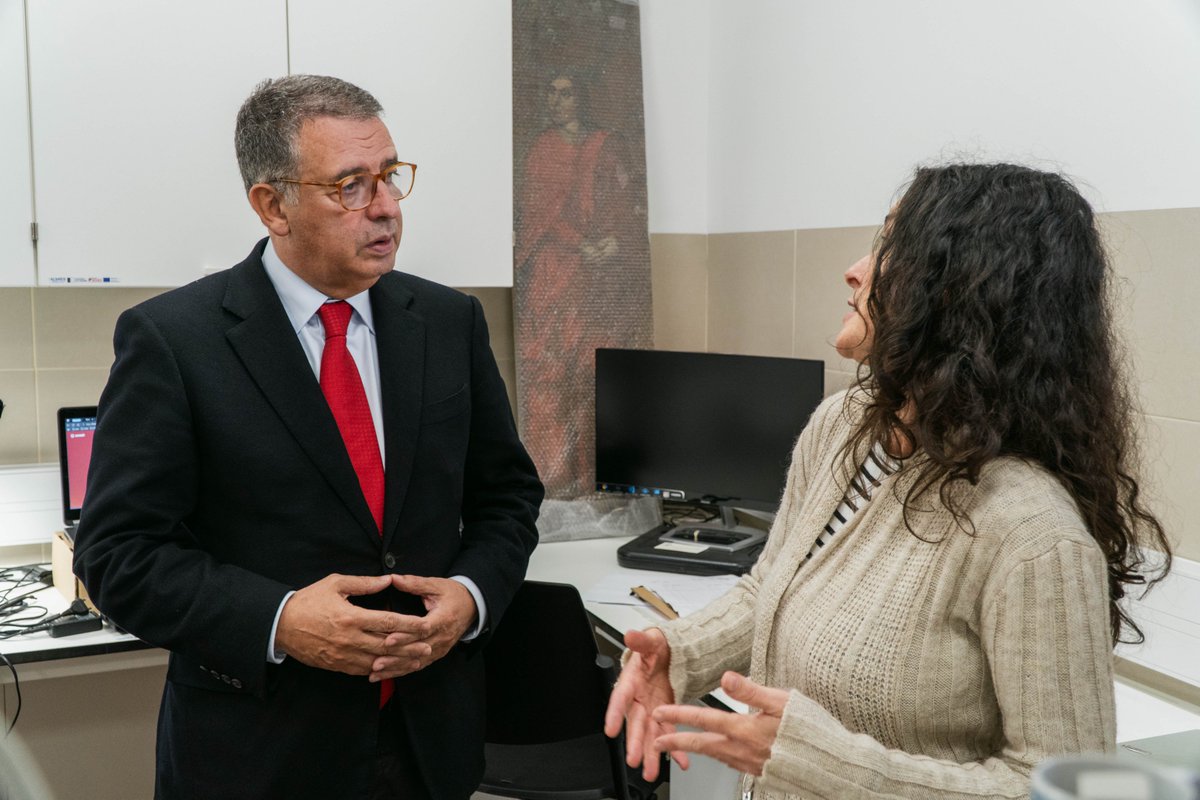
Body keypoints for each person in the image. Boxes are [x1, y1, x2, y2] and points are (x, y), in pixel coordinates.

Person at [604, 163, 1172, 799]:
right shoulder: (843, 425)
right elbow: (773, 584)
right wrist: (678, 652)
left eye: (889, 248)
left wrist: (829, 766)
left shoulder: (1032, 534)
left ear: (958, 290)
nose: (855, 268)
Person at [73, 75, 543, 800]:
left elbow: (506, 498)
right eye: (350, 186)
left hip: (428, 747)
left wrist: (472, 596)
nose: (385, 207)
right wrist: (281, 620)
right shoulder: (174, 341)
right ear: (272, 205)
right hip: (259, 756)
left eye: (389, 176)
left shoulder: (449, 323)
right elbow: (119, 557)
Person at [514, 71, 652, 499]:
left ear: (583, 97)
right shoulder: (543, 150)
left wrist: (615, 242)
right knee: (551, 378)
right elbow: (539, 216)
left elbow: (627, 209)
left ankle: (598, 483)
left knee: (594, 378)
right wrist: (580, 244)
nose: (557, 102)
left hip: (599, 282)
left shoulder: (607, 144)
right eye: (551, 94)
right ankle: (553, 488)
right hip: (556, 276)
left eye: (566, 93)